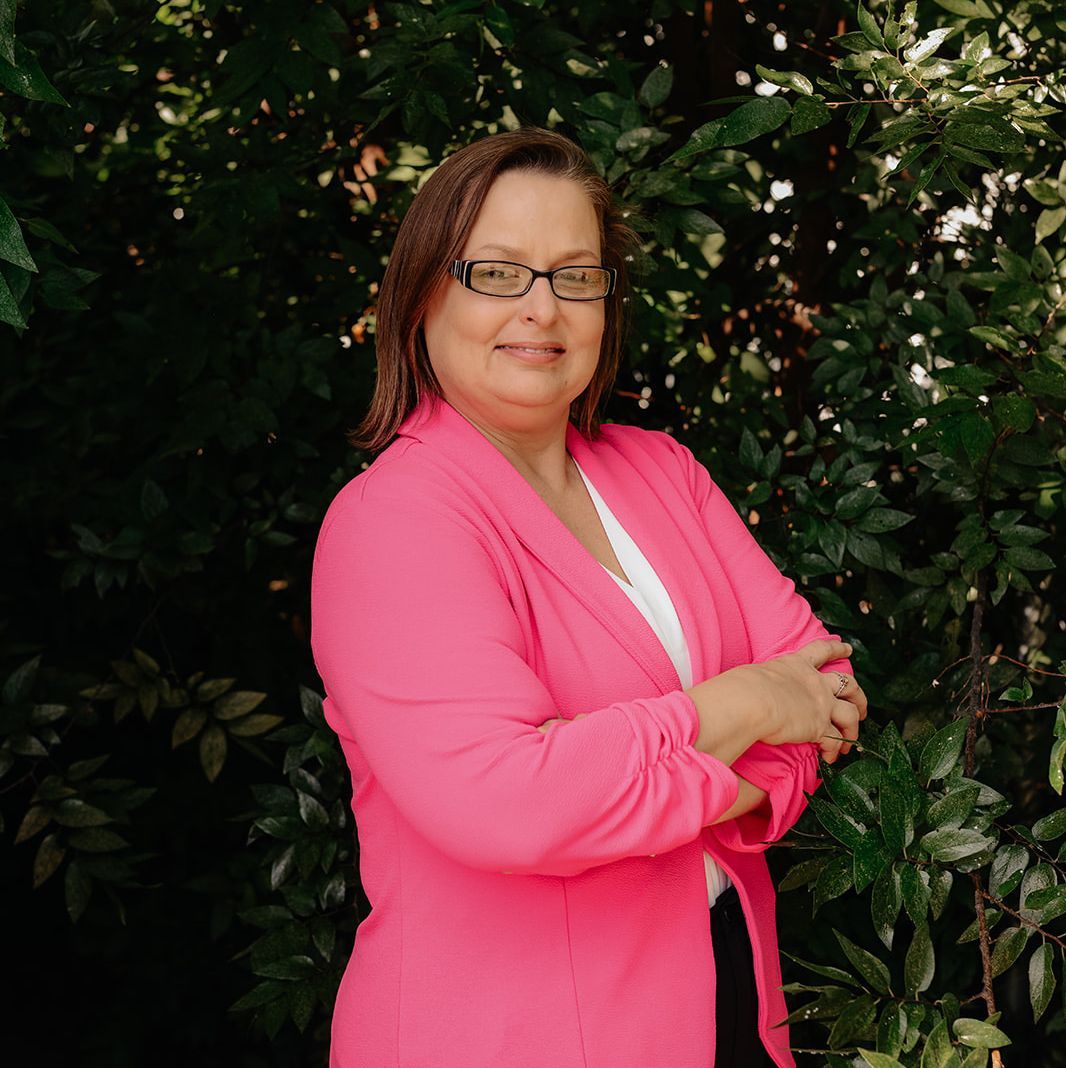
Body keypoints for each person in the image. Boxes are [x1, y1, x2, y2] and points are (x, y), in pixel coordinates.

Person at [310, 125, 867, 1068]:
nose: (542, 309)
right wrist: (745, 704)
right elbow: (508, 804)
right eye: (498, 272)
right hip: (503, 1038)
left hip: (728, 1003)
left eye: (576, 274)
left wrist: (686, 778)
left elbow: (829, 690)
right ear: (421, 294)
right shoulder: (392, 523)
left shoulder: (662, 471)